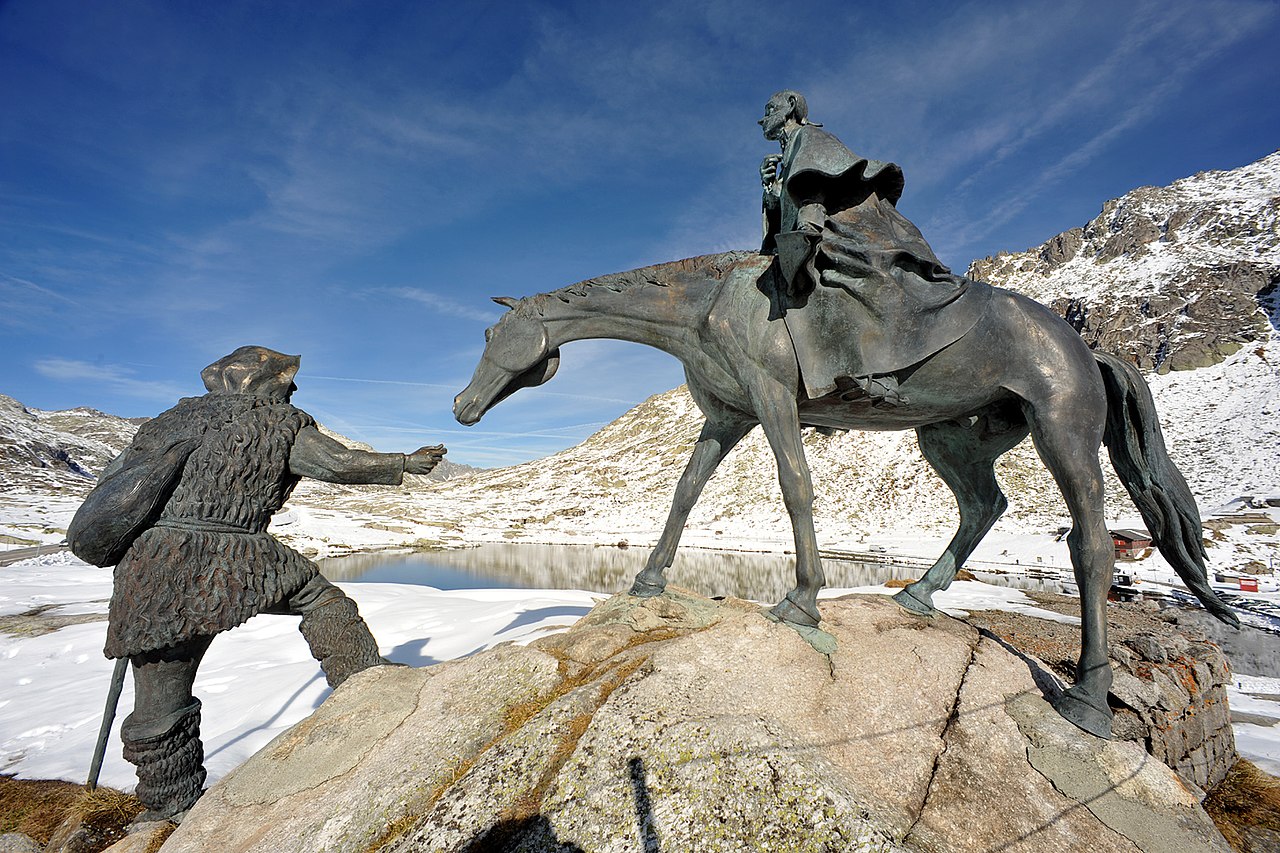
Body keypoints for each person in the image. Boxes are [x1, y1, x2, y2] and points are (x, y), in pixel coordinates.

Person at [70, 345, 446, 822]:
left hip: (152, 564)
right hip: (232, 550)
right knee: (319, 597)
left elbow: (116, 486)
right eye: (289, 380)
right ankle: (365, 684)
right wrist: (404, 463)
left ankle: (167, 804)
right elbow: (339, 464)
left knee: (161, 684)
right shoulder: (278, 423)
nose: (294, 388)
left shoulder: (169, 420)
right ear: (268, 381)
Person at [757, 90, 990, 405]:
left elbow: (814, 187)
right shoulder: (784, 159)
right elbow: (786, 210)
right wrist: (771, 187)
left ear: (791, 108)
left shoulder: (811, 137)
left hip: (845, 228)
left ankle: (879, 374)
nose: (764, 118)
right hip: (817, 229)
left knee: (845, 279)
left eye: (770, 108)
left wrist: (809, 230)